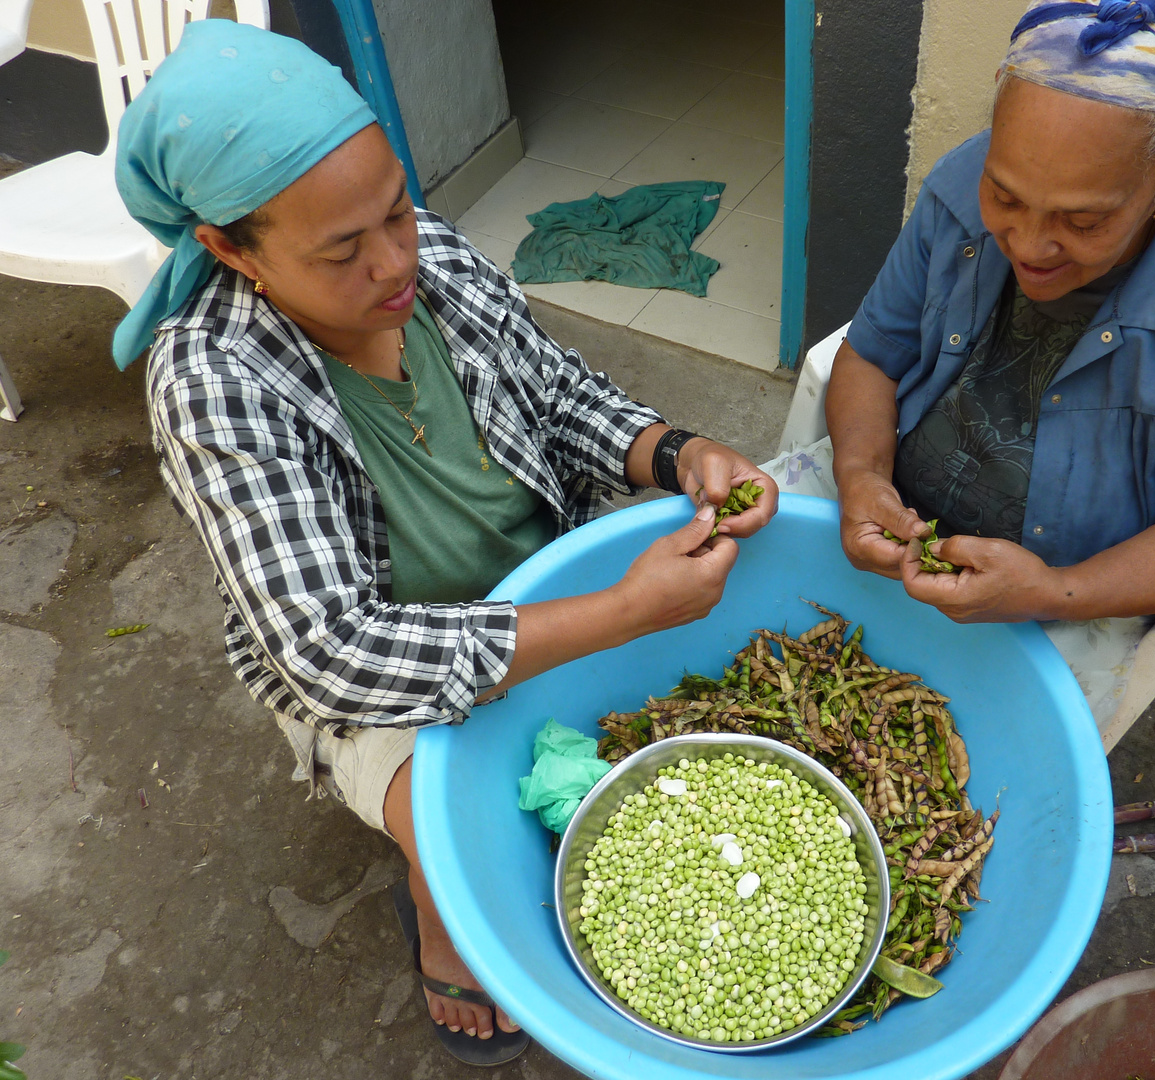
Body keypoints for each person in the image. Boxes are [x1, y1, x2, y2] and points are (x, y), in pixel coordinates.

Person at [114, 21, 777, 1066]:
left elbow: (558, 394)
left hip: (544, 566)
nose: (395, 263)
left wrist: (673, 450)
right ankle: (438, 921)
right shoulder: (215, 384)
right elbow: (335, 651)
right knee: (447, 807)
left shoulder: (433, 257)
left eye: (393, 211)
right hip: (384, 664)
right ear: (230, 250)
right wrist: (622, 614)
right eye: (343, 249)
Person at [824, 0, 1155, 649]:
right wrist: (861, 475)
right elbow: (870, 356)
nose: (1027, 244)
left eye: (1082, 223)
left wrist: (1055, 591)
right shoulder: (962, 175)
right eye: (1004, 197)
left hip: (1076, 593)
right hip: (896, 518)